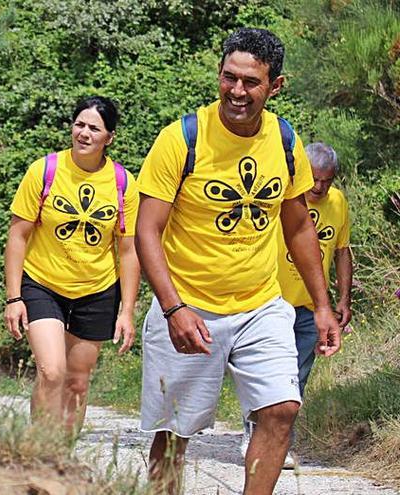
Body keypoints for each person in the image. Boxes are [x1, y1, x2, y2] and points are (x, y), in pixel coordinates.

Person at [134, 28, 342, 494]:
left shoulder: (285, 142)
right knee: (174, 433)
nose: (237, 91)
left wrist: (321, 305)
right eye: (229, 78)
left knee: (281, 410)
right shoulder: (181, 139)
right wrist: (172, 308)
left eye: (251, 82)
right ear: (219, 74)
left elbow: (299, 227)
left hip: (259, 304)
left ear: (275, 86)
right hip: (188, 304)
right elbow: (146, 230)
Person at [4, 96, 141, 434]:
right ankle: (39, 452)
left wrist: (127, 311)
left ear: (109, 137)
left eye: (94, 128)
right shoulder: (45, 170)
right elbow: (18, 236)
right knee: (51, 371)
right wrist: (13, 298)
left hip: (96, 289)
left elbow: (127, 251)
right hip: (42, 283)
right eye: (79, 124)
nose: (84, 133)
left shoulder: (123, 183)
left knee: (77, 383)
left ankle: (63, 462)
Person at [241, 142, 354, 466]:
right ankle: (253, 430)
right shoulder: (285, 196)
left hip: (309, 307)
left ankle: (277, 442)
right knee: (263, 374)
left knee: (295, 378)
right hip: (271, 300)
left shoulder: (338, 203)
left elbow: (343, 252)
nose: (319, 187)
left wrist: (342, 298)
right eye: (315, 179)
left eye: (327, 181)